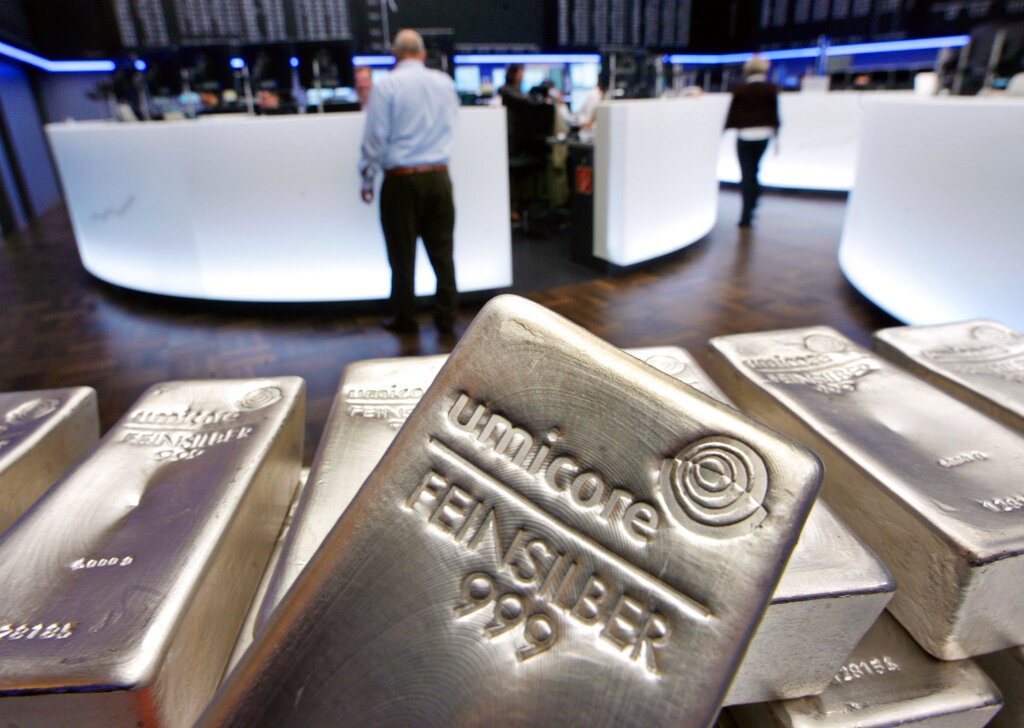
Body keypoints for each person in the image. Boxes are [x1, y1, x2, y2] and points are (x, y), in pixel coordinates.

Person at [359, 29, 460, 335]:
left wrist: (367, 176)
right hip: (440, 177)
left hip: (401, 181)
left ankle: (406, 318)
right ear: (423, 53)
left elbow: (375, 138)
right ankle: (447, 315)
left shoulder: (387, 86)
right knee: (443, 253)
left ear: (396, 55)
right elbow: (452, 122)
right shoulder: (446, 83)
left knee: (402, 256)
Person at [724, 56, 780, 228]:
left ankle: (746, 214)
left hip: (745, 137)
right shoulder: (771, 89)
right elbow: (774, 116)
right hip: (763, 137)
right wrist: (777, 138)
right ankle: (754, 199)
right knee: (754, 170)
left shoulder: (740, 91)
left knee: (747, 174)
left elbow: (731, 115)